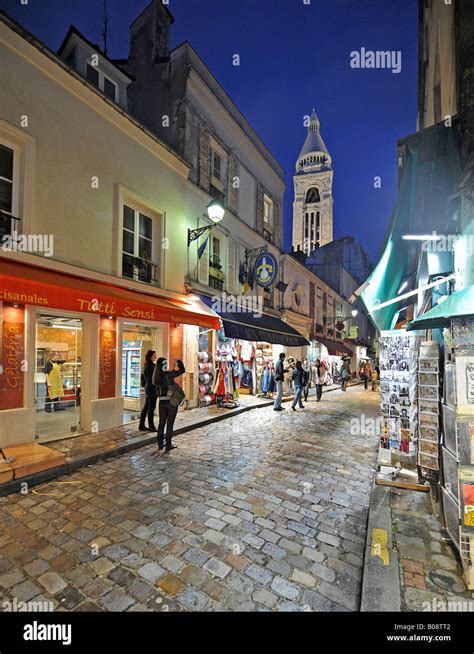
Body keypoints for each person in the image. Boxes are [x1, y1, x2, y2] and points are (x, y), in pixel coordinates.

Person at [152, 357, 185, 451]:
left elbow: (156, 391)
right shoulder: (169, 375)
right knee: (170, 424)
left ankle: (160, 443)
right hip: (171, 402)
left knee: (161, 423)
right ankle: (168, 444)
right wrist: (178, 361)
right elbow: (182, 370)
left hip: (162, 402)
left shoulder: (156, 377)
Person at [138, 350, 157, 432]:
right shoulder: (150, 366)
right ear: (150, 356)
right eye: (154, 355)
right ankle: (151, 426)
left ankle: (141, 425)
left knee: (146, 407)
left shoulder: (147, 365)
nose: (156, 356)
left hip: (148, 388)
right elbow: (150, 380)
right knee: (151, 408)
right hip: (151, 389)